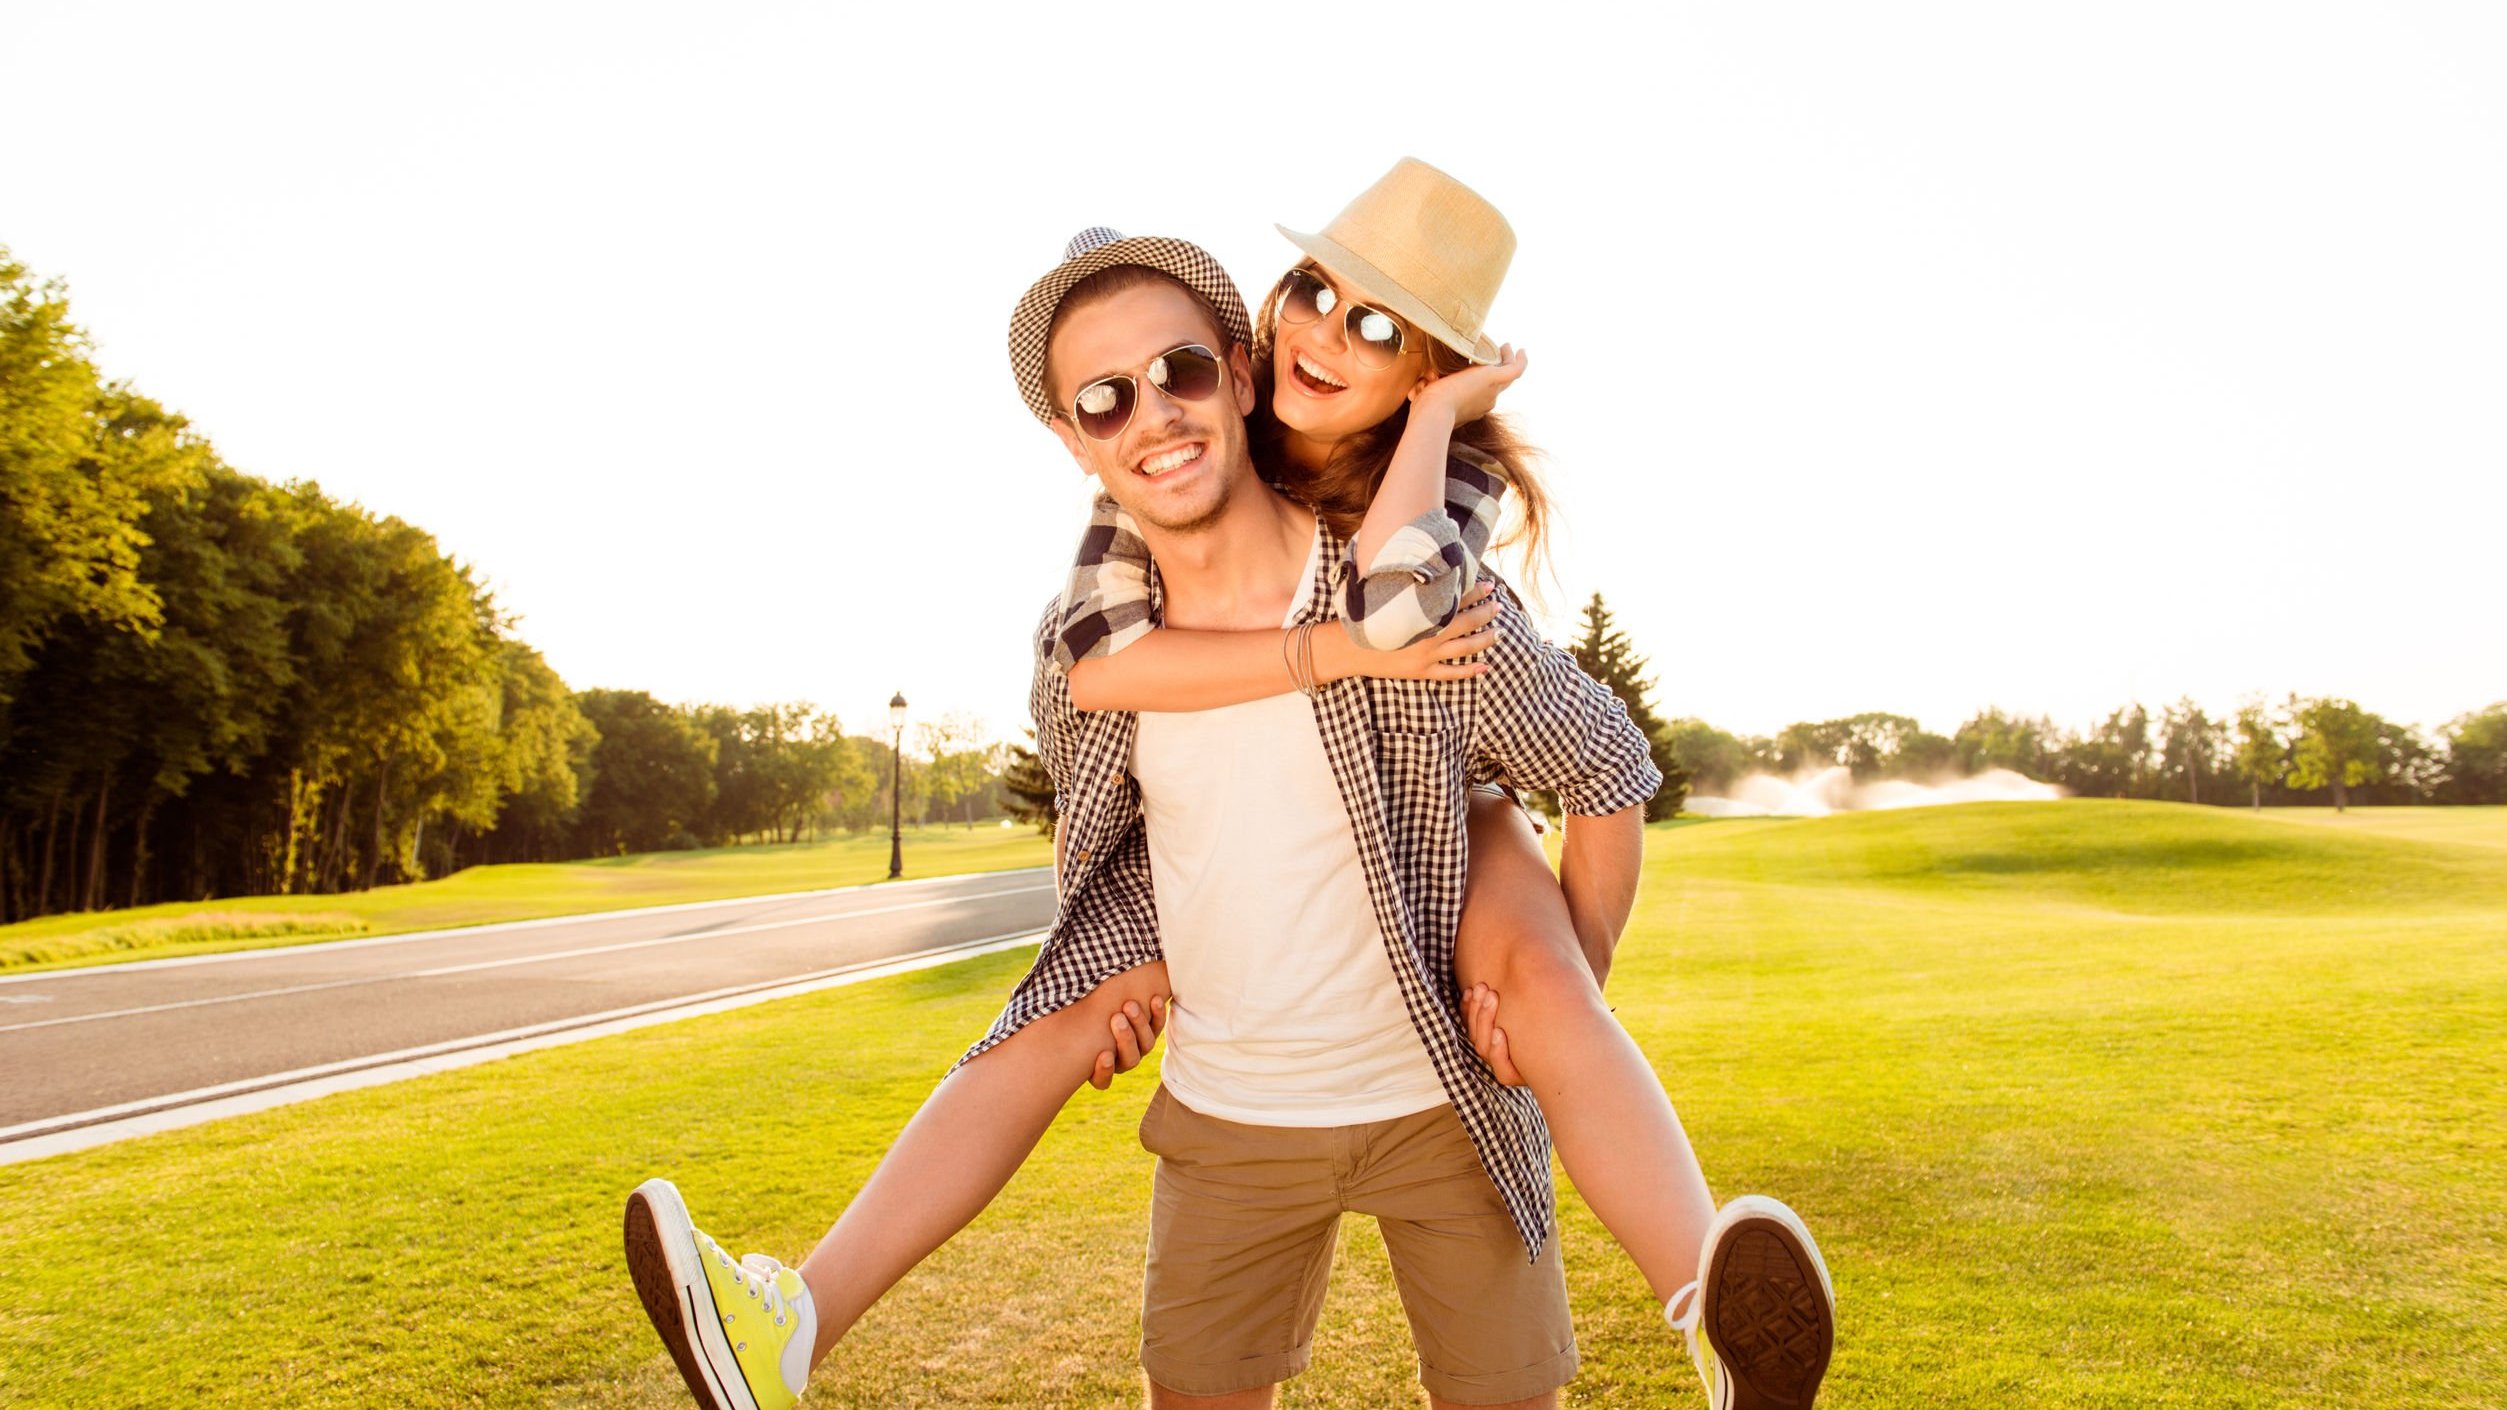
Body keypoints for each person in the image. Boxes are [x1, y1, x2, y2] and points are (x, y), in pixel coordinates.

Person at [623, 163, 1832, 1410]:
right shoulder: (1086, 633)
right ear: (1070, 438)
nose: (1152, 414)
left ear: (1236, 375)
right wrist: (1127, 966)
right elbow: (1103, 764)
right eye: (1103, 399)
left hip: (1443, 1103)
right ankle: (795, 1321)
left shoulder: (1424, 597)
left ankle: (1714, 1323)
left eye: (1180, 372)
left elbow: (1602, 770)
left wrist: (1560, 990)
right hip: (1231, 1115)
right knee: (1051, 1021)